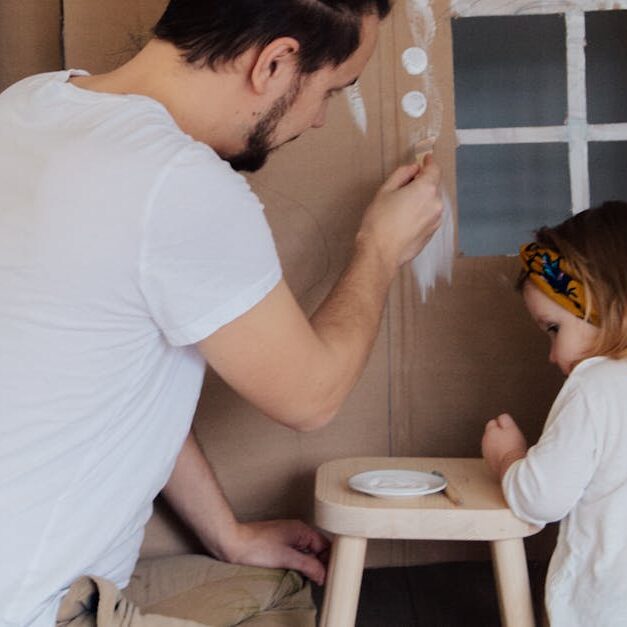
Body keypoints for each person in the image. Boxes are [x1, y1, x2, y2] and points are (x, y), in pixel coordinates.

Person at [0, 1, 444, 626]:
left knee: (264, 582)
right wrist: (379, 249)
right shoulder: (177, 182)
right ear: (276, 63)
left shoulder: (29, 106)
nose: (319, 120)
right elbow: (311, 397)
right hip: (36, 608)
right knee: (295, 604)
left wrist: (228, 534)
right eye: (331, 91)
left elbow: (112, 380)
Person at [481, 201, 627, 626]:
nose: (551, 355)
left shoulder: (594, 385)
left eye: (554, 329)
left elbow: (541, 499)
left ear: (604, 305)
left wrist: (509, 458)